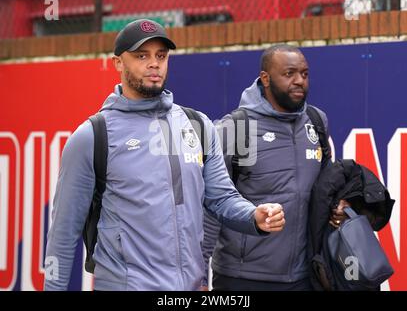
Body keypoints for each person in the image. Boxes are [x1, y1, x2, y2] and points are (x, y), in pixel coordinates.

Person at [43, 19, 286, 291]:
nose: (154, 63)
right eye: (141, 56)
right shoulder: (93, 136)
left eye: (161, 55)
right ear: (118, 63)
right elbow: (63, 234)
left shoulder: (198, 125)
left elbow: (222, 198)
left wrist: (254, 216)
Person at [203, 44, 347, 291]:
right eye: (289, 73)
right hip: (243, 279)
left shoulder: (316, 122)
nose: (299, 81)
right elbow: (211, 205)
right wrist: (200, 278)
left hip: (304, 277)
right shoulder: (237, 127)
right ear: (265, 79)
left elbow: (326, 188)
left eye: (304, 74)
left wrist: (339, 206)